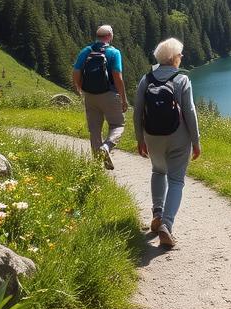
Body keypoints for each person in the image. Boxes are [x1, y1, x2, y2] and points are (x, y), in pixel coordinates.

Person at [134, 37, 201, 249]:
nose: (181, 57)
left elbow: (137, 112)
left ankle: (157, 213)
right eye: (180, 54)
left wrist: (140, 139)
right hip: (178, 138)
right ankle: (167, 224)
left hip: (152, 136)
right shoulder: (182, 80)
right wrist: (196, 141)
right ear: (173, 58)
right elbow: (190, 112)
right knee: (176, 180)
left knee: (158, 171)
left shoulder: (146, 79)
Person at [72, 24, 127, 170]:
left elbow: (76, 71)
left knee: (94, 129)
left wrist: (79, 88)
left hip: (90, 95)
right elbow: (118, 77)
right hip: (109, 94)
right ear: (109, 36)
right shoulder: (114, 52)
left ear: (97, 36)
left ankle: (96, 167)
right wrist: (123, 98)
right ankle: (106, 147)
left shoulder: (87, 51)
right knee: (118, 125)